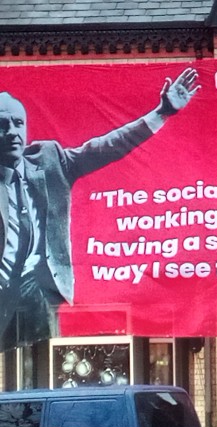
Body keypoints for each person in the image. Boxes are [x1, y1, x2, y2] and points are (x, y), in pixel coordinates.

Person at [0, 67, 199, 349]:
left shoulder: (49, 160)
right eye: (2, 125)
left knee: (36, 353)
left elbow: (105, 147)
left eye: (18, 124)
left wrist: (161, 112)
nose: (12, 133)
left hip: (40, 292)